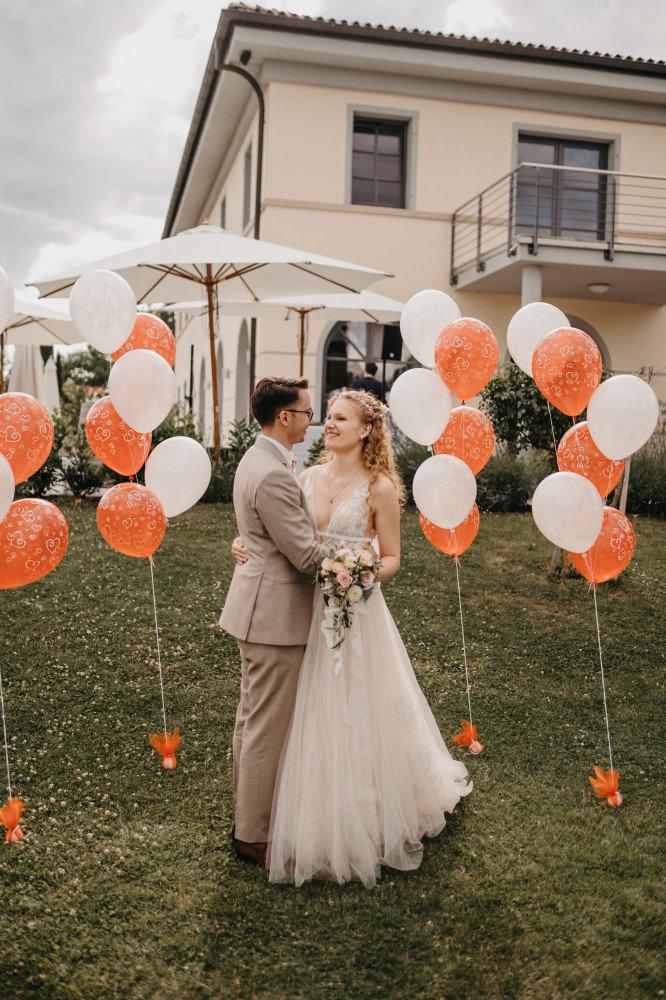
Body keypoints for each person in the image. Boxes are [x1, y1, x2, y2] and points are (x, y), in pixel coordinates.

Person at [231, 388, 471, 886]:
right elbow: (284, 530)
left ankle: (363, 806)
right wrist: (245, 540)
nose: (328, 424)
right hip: (307, 607)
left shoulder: (380, 486)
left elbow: (392, 557)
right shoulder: (305, 476)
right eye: (326, 417)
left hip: (355, 609)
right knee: (302, 711)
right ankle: (294, 807)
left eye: (340, 418)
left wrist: (356, 578)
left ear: (366, 429)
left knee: (358, 705)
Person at [220, 376, 325, 868]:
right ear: (285, 417)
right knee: (264, 727)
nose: (311, 420)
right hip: (275, 618)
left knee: (251, 721)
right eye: (307, 413)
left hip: (257, 610)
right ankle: (254, 836)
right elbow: (305, 556)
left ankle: (250, 819)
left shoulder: (256, 459)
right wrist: (357, 554)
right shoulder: (273, 473)